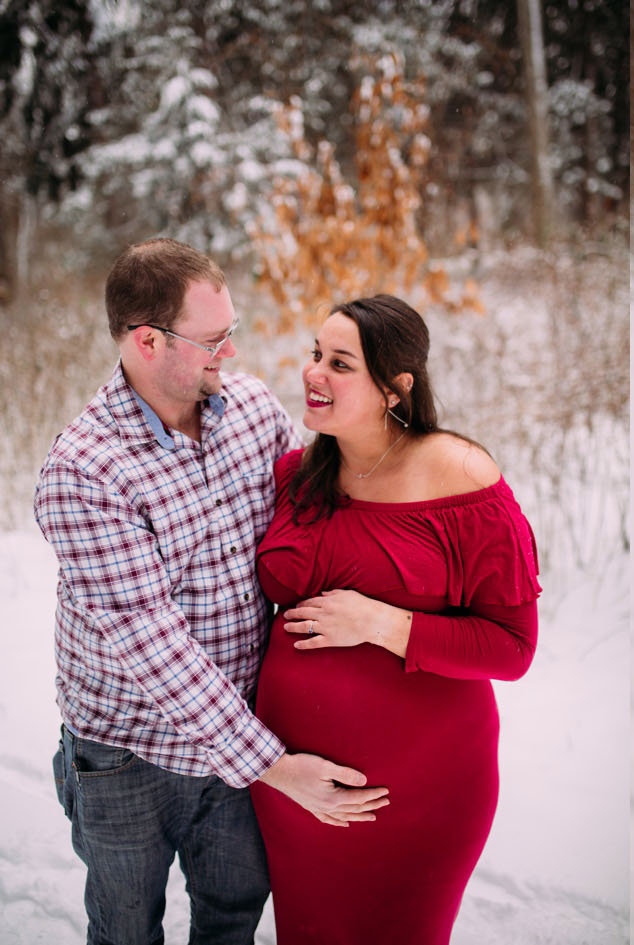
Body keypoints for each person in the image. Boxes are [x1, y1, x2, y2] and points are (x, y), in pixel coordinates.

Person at [35, 238, 391, 944]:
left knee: (233, 919)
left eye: (231, 333)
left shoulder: (254, 412)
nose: (230, 354)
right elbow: (153, 643)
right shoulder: (85, 472)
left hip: (243, 734)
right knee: (126, 930)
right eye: (212, 341)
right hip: (125, 753)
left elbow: (317, 525)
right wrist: (276, 766)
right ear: (146, 341)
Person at [248, 294, 541, 944]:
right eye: (315, 353)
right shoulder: (295, 477)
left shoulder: (460, 476)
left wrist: (381, 623)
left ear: (395, 387)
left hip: (420, 796)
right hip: (293, 791)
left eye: (341, 363)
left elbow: (513, 647)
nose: (313, 372)